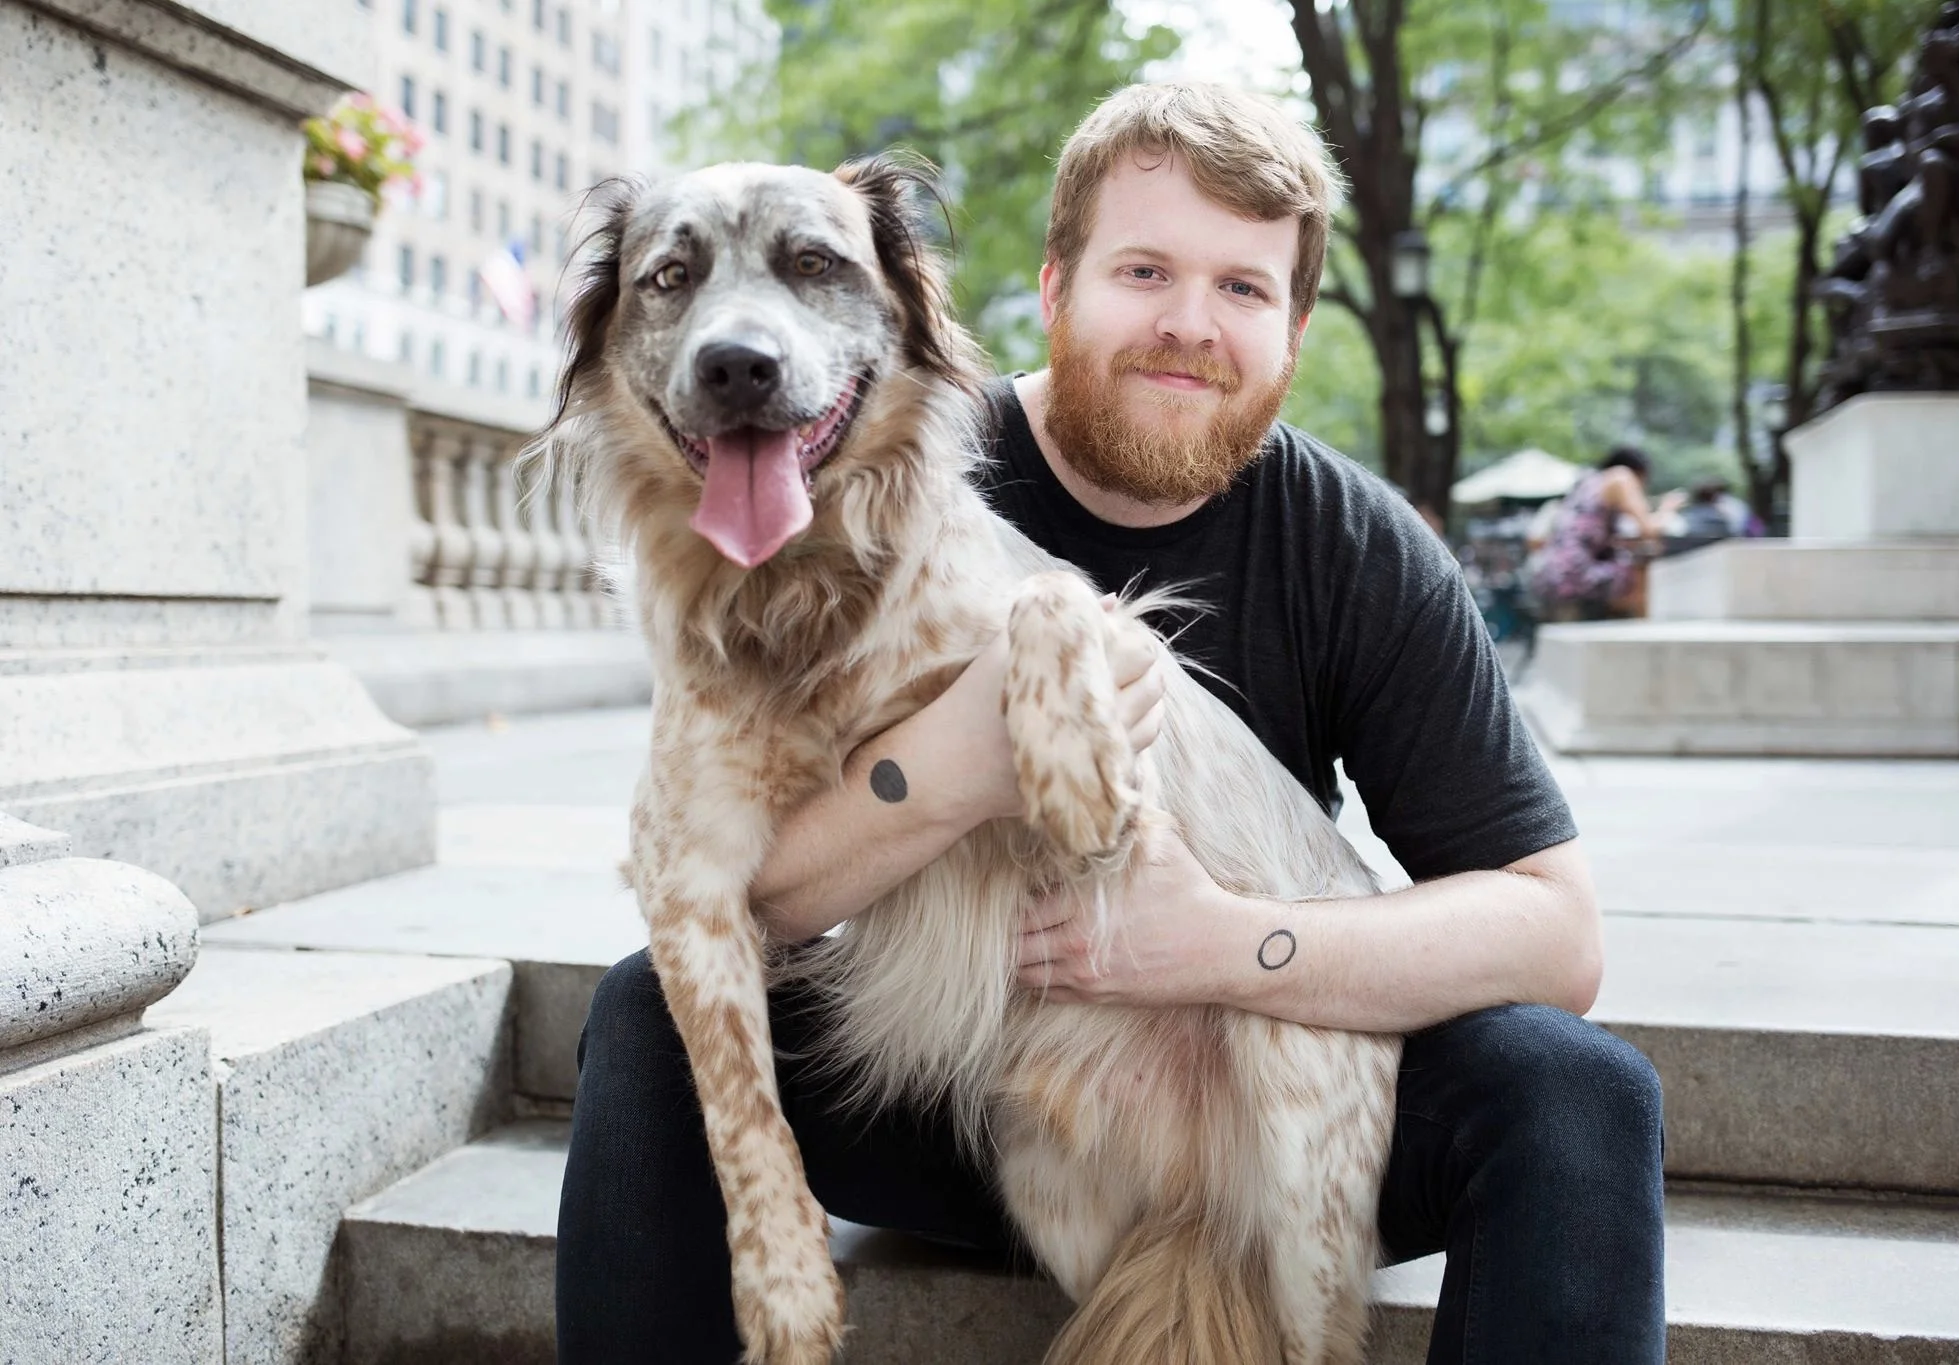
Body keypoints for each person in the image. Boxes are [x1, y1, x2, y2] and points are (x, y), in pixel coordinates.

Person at [557, 82, 1664, 1365]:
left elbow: (1554, 933)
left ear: (1293, 331)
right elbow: (719, 895)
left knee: (1577, 1092)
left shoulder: (1356, 548)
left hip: (1239, 1112)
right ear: (1052, 286)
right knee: (645, 1017)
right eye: (1144, 270)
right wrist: (951, 770)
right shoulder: (836, 456)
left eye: (1243, 290)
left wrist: (1210, 946)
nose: (1189, 326)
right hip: (946, 1091)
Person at [1526, 445, 1677, 620]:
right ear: (1640, 472)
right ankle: (1641, 632)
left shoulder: (1590, 482)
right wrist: (1668, 508)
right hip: (1572, 575)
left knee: (1627, 561)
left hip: (1550, 573)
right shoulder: (1621, 477)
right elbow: (1649, 529)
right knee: (1638, 567)